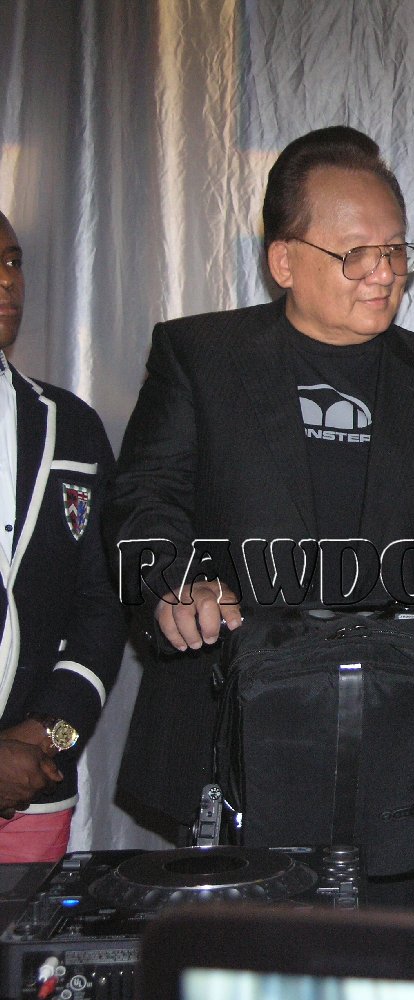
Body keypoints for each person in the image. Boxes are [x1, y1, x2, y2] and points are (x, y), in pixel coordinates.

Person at [107, 127, 414, 908]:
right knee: (240, 965)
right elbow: (144, 497)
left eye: (396, 250)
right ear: (284, 261)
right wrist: (174, 582)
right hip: (232, 741)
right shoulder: (200, 357)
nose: (385, 273)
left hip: (402, 748)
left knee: (392, 963)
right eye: (356, 254)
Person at [0, 209, 126, 861]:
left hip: (34, 783)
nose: (7, 281)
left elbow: (101, 606)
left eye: (13, 262)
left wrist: (48, 734)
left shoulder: (70, 426)